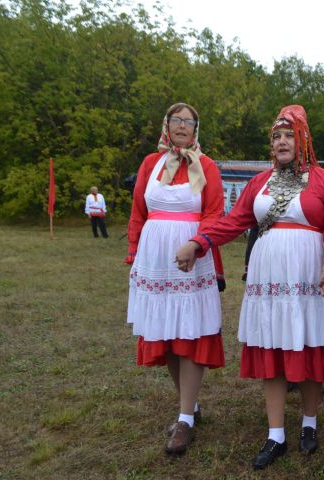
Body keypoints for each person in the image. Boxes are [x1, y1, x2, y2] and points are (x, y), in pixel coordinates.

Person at [174, 105, 324, 470]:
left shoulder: (323, 180)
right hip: (268, 272)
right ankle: (276, 435)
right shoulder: (260, 183)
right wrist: (199, 242)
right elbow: (234, 221)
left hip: (307, 273)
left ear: (302, 139)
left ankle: (309, 423)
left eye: (288, 135)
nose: (282, 142)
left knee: (308, 346)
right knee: (273, 345)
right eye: (276, 136)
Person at [126, 102, 226, 454]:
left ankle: (184, 418)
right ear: (166, 125)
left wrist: (197, 245)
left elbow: (214, 213)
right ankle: (191, 406)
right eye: (176, 120)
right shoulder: (149, 165)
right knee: (166, 334)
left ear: (196, 129)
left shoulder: (207, 167)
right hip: (155, 260)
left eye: (189, 121)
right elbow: (139, 211)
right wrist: (134, 253)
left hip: (192, 258)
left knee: (190, 333)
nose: (182, 126)